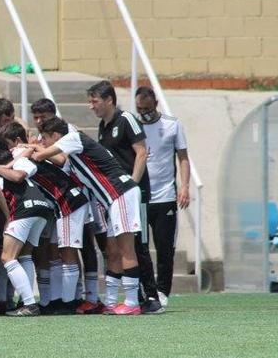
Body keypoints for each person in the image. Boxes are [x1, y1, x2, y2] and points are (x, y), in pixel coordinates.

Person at [32, 117, 143, 315]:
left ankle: (133, 302)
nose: (43, 143)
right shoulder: (74, 152)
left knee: (126, 250)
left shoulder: (73, 137)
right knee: (113, 251)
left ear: (56, 136)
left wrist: (28, 146)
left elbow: (43, 156)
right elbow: (58, 161)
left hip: (121, 193)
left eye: (45, 139)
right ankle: (110, 302)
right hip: (114, 199)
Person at [86, 80, 163, 314]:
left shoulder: (126, 119)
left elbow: (141, 152)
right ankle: (127, 297)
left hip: (131, 192)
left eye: (95, 101)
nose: (91, 106)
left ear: (109, 100)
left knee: (137, 244)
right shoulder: (103, 125)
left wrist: (132, 183)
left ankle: (151, 297)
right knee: (118, 245)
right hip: (114, 195)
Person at [0, 122, 91, 314]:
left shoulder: (23, 153)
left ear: (16, 141)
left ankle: (68, 303)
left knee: (67, 252)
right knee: (59, 254)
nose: (9, 150)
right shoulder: (30, 151)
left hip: (68, 201)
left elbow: (19, 174)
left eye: (9, 144)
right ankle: (58, 301)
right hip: (62, 204)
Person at [135, 86, 190, 307]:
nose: (144, 113)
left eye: (147, 109)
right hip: (141, 196)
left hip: (165, 196)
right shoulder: (134, 126)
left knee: (165, 247)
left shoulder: (172, 124)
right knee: (140, 247)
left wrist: (184, 186)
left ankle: (163, 290)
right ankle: (146, 291)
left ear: (155, 104)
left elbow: (183, 158)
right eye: (140, 109)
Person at [0, 149, 55, 316]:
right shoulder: (20, 165)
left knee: (7, 258)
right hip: (43, 208)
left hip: (24, 210)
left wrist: (8, 216)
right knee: (25, 256)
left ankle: (30, 304)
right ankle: (27, 301)